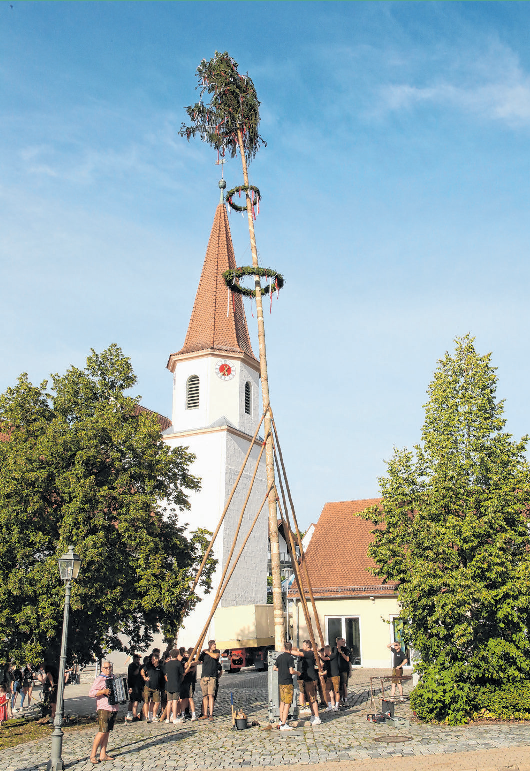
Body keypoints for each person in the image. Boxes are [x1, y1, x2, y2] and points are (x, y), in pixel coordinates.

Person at [88, 661, 118, 764]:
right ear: (102, 669)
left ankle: (103, 754)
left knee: (107, 731)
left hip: (113, 707)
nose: (108, 669)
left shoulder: (114, 678)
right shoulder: (100, 679)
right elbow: (91, 693)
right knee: (101, 731)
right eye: (106, 668)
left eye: (110, 667)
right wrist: (102, 692)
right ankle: (93, 755)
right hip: (103, 707)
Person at [293, 641, 321, 726]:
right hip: (307, 678)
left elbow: (299, 653)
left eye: (303, 645)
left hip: (311, 679)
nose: (302, 646)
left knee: (313, 699)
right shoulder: (306, 651)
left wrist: (288, 651)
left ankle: (317, 717)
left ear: (307, 646)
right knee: (309, 698)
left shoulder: (310, 653)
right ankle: (313, 715)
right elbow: (298, 649)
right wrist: (289, 648)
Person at [273, 641, 296, 730]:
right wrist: (297, 673)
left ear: (284, 648)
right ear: (291, 649)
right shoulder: (290, 658)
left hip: (281, 682)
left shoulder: (279, 657)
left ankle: (281, 719)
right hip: (287, 682)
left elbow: (274, 668)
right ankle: (284, 723)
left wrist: (282, 670)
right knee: (287, 703)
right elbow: (291, 671)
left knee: (282, 702)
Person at [198, 640, 220, 721]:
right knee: (205, 696)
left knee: (211, 695)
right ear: (210, 645)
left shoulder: (216, 652)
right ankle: (205, 714)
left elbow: (216, 656)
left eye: (215, 644)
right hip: (204, 676)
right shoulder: (204, 654)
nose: (215, 646)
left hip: (212, 676)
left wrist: (207, 652)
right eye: (214, 644)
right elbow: (198, 660)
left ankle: (211, 714)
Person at [141, 653, 164, 723]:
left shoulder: (160, 667)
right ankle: (147, 717)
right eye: (152, 659)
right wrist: (144, 677)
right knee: (146, 701)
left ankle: (153, 716)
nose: (152, 661)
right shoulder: (148, 665)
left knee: (156, 702)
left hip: (156, 687)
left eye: (154, 660)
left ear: (157, 659)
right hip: (148, 686)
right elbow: (142, 671)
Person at [164, 649, 184, 724]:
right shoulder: (178, 664)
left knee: (169, 702)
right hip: (176, 684)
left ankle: (168, 718)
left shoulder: (167, 664)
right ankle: (174, 718)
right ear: (177, 654)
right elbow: (182, 674)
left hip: (169, 684)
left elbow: (165, 675)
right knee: (175, 701)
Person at [319, 645, 339, 712]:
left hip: (335, 675)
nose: (324, 652)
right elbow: (324, 664)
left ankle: (336, 705)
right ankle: (330, 705)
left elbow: (324, 659)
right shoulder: (327, 657)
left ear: (327, 650)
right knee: (327, 690)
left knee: (336, 691)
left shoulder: (333, 655)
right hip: (329, 676)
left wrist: (318, 653)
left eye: (325, 650)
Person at [179, 648, 197, 721]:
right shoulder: (182, 661)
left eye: (188, 655)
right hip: (183, 682)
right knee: (183, 698)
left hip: (189, 681)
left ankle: (193, 714)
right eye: (185, 655)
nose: (186, 656)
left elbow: (194, 667)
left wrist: (188, 668)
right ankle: (183, 714)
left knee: (190, 698)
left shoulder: (191, 661)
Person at [126, 654, 143, 722]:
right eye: (138, 659)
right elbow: (135, 673)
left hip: (137, 685)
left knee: (133, 700)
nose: (138, 660)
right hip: (134, 685)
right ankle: (134, 715)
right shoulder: (132, 666)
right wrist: (139, 668)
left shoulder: (135, 665)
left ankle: (130, 714)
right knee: (134, 701)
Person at [335, 638, 351, 706]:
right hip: (337, 670)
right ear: (338, 642)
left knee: (344, 684)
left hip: (344, 669)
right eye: (342, 641)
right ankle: (339, 700)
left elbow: (348, 659)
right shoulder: (335, 649)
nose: (344, 642)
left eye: (344, 641)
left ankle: (345, 699)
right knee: (338, 686)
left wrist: (341, 652)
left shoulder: (346, 649)